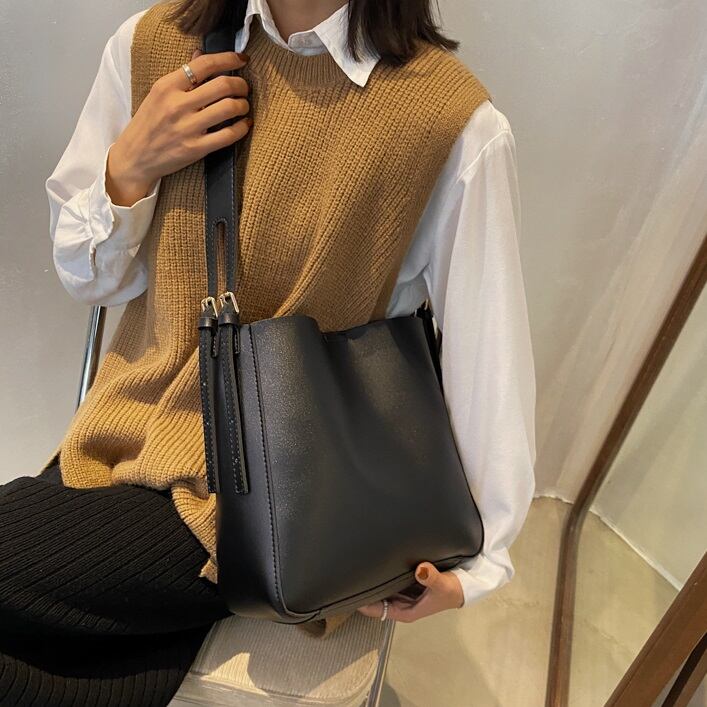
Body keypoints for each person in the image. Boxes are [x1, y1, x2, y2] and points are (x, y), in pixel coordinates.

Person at [0, 0, 537, 704]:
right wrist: (129, 167)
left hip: (274, 495)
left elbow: (487, 355)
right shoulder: (153, 45)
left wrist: (482, 563)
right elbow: (91, 278)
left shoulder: (448, 122)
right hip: (117, 440)